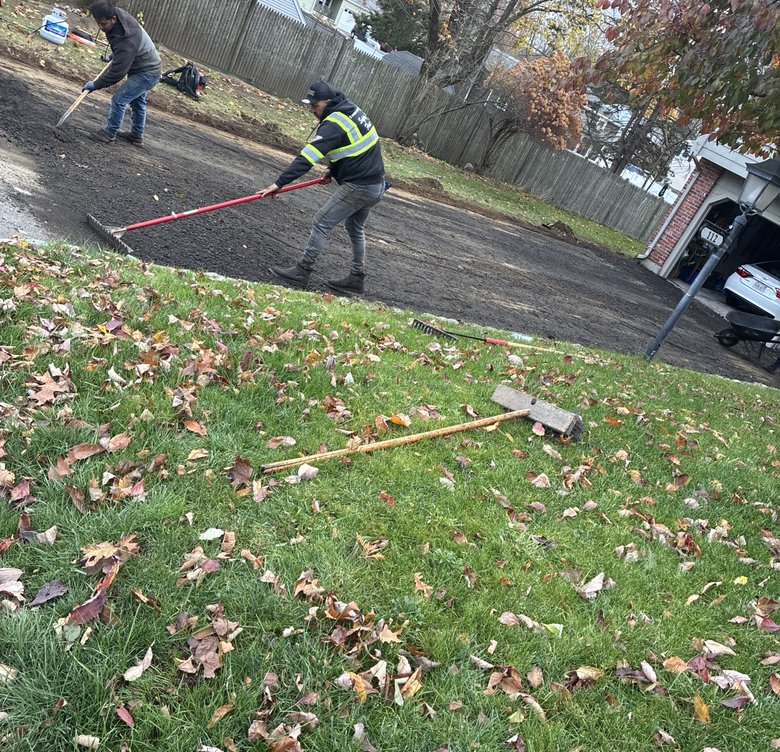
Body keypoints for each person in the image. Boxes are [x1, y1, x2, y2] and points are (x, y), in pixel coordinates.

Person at [260, 81, 385, 294]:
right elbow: (353, 147)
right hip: (375, 183)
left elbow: (307, 157)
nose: (313, 111)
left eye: (315, 106)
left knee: (320, 223)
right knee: (355, 228)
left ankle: (302, 270)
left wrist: (278, 183)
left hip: (360, 186)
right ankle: (356, 278)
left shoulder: (333, 124)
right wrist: (333, 169)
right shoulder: (350, 109)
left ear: (326, 102)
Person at [82, 1, 161, 146]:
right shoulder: (115, 15)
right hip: (142, 66)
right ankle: (136, 136)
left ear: (113, 18)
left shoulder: (127, 40)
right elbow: (122, 50)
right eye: (98, 23)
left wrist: (96, 84)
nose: (101, 27)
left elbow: (117, 74)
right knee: (138, 102)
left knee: (119, 99)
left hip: (148, 73)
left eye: (103, 24)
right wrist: (117, 55)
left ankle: (109, 133)